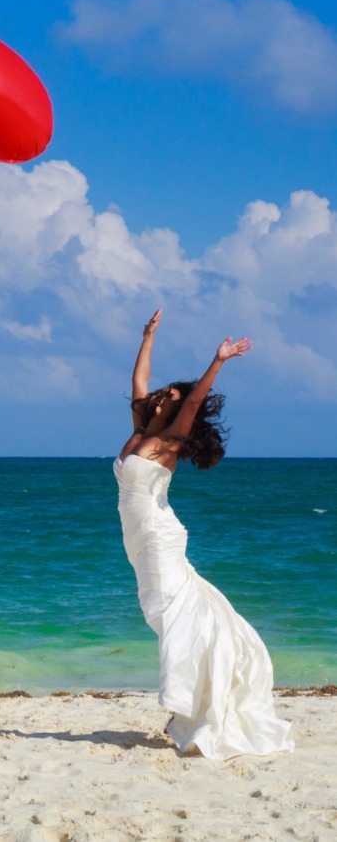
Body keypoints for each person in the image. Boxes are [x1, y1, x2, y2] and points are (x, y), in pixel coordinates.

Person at [114, 308, 293, 760]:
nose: (162, 398)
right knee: (162, 614)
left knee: (173, 616)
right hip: (137, 536)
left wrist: (217, 362)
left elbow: (194, 403)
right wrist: (148, 335)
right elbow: (140, 379)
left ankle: (189, 707)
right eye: (163, 395)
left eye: (171, 398)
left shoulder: (169, 440)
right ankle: (193, 700)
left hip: (158, 533)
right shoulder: (139, 430)